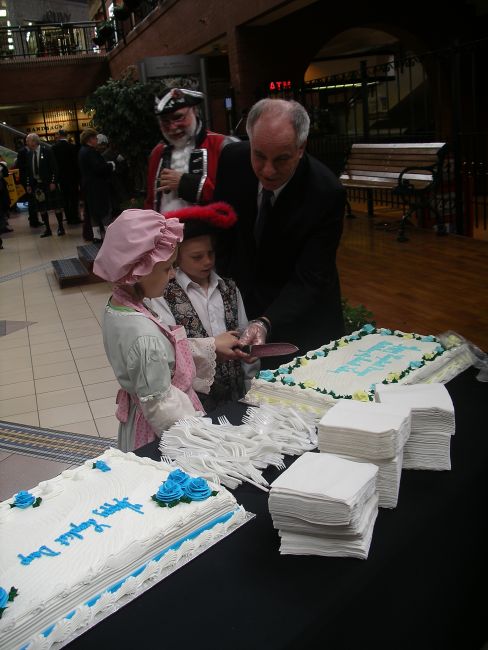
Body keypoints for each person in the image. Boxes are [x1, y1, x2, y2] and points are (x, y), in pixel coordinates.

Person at [92, 208, 243, 452]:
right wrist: (202, 439)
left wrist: (210, 346)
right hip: (160, 432)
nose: (172, 274)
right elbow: (162, 407)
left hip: (138, 415)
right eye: (167, 269)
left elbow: (162, 356)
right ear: (137, 271)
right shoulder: (143, 336)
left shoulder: (119, 307)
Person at [214, 98, 346, 363]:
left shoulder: (325, 193)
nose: (267, 170)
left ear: (301, 148)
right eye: (259, 155)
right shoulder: (233, 160)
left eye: (281, 159)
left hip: (301, 321)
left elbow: (310, 278)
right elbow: (223, 233)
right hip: (243, 308)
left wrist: (265, 321)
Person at [150, 202, 259, 411]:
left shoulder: (229, 289)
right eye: (197, 257)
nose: (207, 261)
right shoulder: (165, 295)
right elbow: (167, 349)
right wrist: (210, 346)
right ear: (177, 257)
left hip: (236, 395)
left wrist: (250, 388)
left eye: (211, 253)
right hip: (192, 401)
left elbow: (246, 341)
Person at [144, 87, 236, 213]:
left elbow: (236, 198)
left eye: (178, 117)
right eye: (165, 121)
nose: (172, 127)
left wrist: (185, 184)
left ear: (194, 111)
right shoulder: (157, 153)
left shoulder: (223, 145)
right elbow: (150, 202)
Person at [78, 128, 114, 243]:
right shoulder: (91, 152)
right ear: (89, 139)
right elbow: (98, 168)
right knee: (104, 211)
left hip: (88, 186)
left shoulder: (82, 151)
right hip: (97, 186)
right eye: (95, 138)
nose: (96, 140)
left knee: (93, 212)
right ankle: (109, 237)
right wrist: (110, 166)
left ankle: (97, 236)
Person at [25, 133, 65, 238]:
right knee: (42, 208)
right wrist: (28, 185)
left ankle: (61, 227)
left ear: (34, 141)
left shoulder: (46, 151)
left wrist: (53, 182)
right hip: (37, 186)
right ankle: (47, 229)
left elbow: (54, 168)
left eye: (28, 141)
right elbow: (29, 171)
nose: (26, 143)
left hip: (48, 183)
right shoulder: (29, 154)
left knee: (56, 206)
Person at [52, 129, 81, 225]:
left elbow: (55, 165)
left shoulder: (54, 148)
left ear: (59, 136)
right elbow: (76, 164)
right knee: (74, 197)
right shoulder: (72, 147)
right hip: (73, 177)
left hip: (61, 178)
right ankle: (75, 216)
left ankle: (68, 217)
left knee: (65, 198)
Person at [14, 137, 42, 228]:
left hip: (34, 178)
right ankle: (33, 220)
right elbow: (20, 166)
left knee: (35, 200)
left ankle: (35, 218)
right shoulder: (22, 152)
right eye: (28, 141)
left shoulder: (34, 151)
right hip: (27, 179)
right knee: (31, 200)